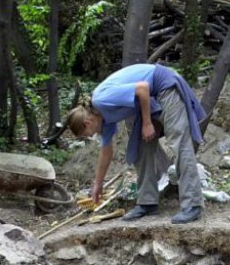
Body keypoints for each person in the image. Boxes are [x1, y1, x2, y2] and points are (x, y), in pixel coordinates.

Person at [66, 63, 206, 225]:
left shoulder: (102, 99)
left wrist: (147, 123)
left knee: (179, 143)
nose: (90, 136)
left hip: (165, 86)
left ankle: (193, 204)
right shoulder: (103, 119)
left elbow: (142, 88)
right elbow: (106, 151)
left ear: (87, 122)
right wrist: (98, 184)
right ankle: (148, 203)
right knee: (141, 148)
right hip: (149, 98)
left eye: (86, 134)